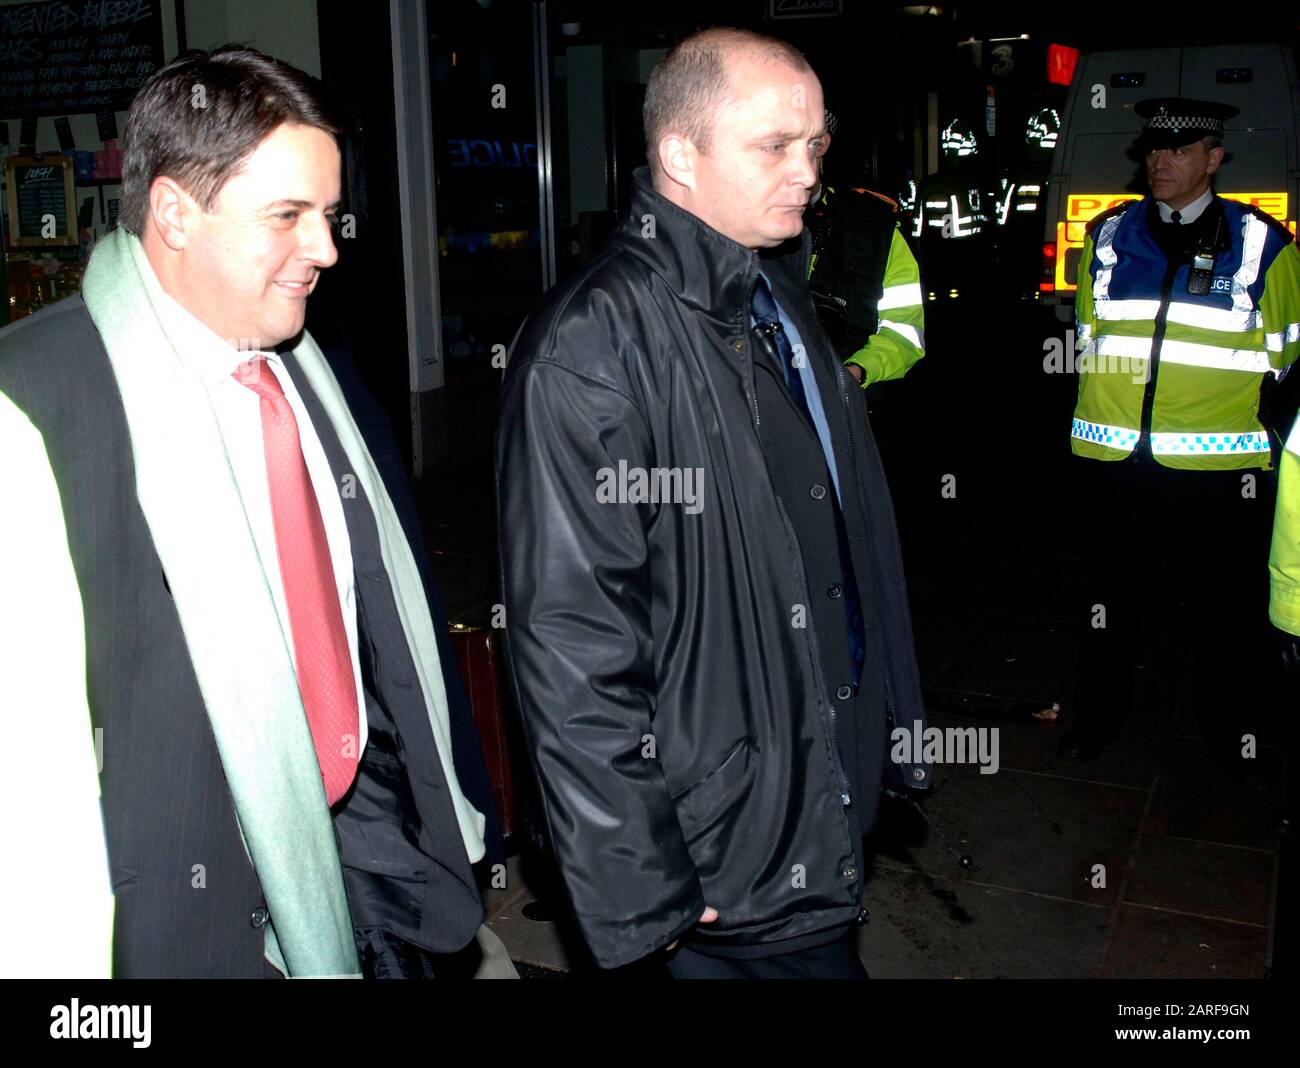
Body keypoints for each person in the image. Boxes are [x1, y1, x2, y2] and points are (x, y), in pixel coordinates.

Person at [0, 47, 496, 978]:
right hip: (174, 920)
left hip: (367, 860)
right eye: (287, 217)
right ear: (175, 214)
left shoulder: (319, 370)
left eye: (329, 214)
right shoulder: (30, 401)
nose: (326, 249)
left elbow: (384, 616)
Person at [496, 27, 930, 979]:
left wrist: (882, 725)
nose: (807, 170)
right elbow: (571, 650)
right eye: (773, 145)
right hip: (722, 850)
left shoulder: (773, 292)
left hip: (814, 793)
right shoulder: (594, 344)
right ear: (679, 154)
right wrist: (642, 890)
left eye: (814, 145)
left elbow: (838, 539)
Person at [1059, 98, 1300, 763]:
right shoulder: (1108, 236)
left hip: (1219, 474)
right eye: (1153, 151)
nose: (1159, 163)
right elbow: (1088, 336)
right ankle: (1097, 723)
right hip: (1112, 462)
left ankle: (1232, 737)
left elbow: (1289, 360)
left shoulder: (1261, 245)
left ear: (1213, 159)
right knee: (1106, 605)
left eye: (1179, 151)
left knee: (1223, 615)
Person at [805, 110, 925, 389]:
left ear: (822, 145)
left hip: (847, 405)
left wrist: (857, 370)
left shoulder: (875, 225)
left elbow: (905, 332)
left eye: (805, 143)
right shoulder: (734, 225)